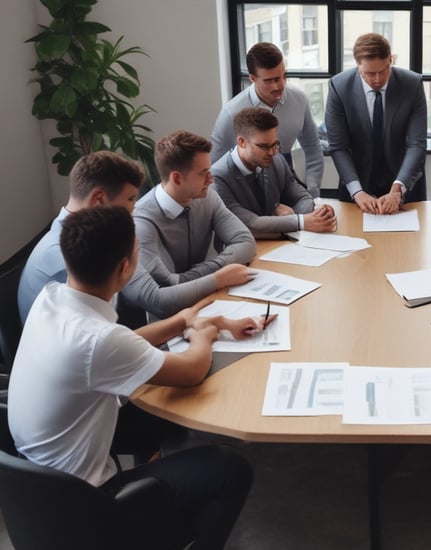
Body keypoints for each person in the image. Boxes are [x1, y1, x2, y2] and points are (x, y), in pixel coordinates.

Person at [8, 206, 259, 549]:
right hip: (89, 507)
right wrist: (203, 334)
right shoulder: (99, 340)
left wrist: (182, 320)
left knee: (147, 421)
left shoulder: (52, 300)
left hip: (38, 496)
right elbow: (192, 370)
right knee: (230, 469)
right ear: (126, 268)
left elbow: (118, 348)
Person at [17, 151, 255, 324]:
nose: (134, 209)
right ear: (99, 198)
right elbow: (155, 300)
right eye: (130, 199)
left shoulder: (85, 236)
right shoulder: (75, 252)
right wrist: (217, 279)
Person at [134, 131, 257, 289]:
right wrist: (218, 276)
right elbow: (165, 283)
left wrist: (209, 270)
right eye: (203, 173)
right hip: (172, 304)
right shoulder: (140, 221)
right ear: (177, 178)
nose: (211, 179)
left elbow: (246, 242)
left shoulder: (207, 197)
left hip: (204, 293)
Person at [325, 33, 427, 213]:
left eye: (384, 70)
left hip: (405, 186)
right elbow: (338, 146)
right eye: (370, 73)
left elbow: (416, 143)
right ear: (357, 65)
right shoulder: (338, 87)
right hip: (358, 185)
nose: (378, 79)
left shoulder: (412, 84)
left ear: (390, 59)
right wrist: (357, 191)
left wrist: (397, 190)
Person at [210, 42, 324, 198]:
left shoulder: (299, 99)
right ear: (252, 78)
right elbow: (215, 168)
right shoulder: (231, 112)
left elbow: (313, 147)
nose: (279, 86)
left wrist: (313, 192)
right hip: (246, 190)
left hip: (287, 181)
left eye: (283, 77)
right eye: (270, 80)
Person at [212, 107, 336, 238]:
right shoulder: (218, 177)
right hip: (241, 247)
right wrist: (300, 221)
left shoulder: (276, 161)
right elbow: (249, 224)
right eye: (264, 146)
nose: (272, 152)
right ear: (242, 142)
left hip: (281, 243)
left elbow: (303, 198)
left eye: (275, 144)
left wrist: (316, 215)